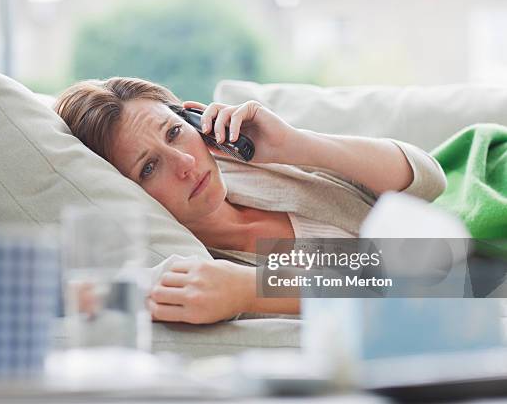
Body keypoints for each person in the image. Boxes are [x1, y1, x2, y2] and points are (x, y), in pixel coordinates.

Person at [54, 77, 447, 324]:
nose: (186, 163)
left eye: (174, 132)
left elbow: (428, 179)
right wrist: (249, 287)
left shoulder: (254, 164)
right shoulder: (188, 260)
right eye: (149, 168)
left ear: (194, 120)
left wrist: (297, 144)